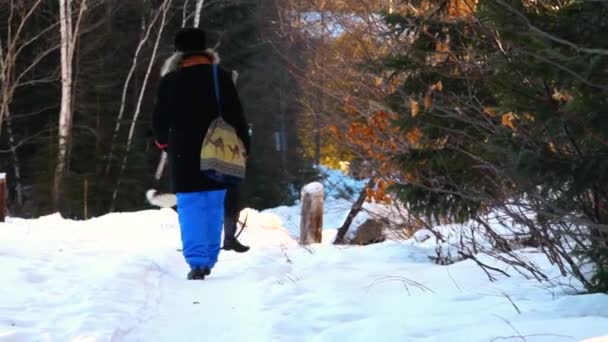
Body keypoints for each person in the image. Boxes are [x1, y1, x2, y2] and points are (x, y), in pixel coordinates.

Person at [152, 28, 250, 280]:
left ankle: (197, 262)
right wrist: (244, 147)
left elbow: (160, 124)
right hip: (219, 150)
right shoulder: (221, 77)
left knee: (191, 207)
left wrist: (164, 143)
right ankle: (209, 258)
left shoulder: (170, 81)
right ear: (205, 50)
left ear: (179, 52)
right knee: (214, 204)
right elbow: (237, 116)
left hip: (183, 152)